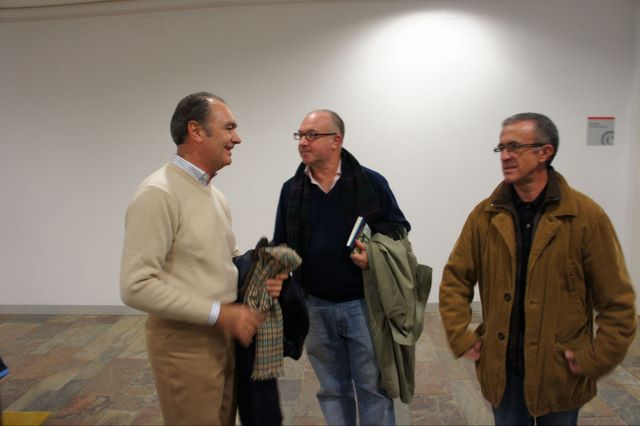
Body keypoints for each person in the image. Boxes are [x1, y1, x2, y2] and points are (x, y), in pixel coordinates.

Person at [439, 112, 636, 425]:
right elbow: (455, 279)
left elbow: (618, 301)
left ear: (545, 152)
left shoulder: (585, 217)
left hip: (559, 372)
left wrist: (598, 357)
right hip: (502, 372)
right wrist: (459, 334)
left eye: (515, 147)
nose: (505, 156)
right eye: (501, 148)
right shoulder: (484, 216)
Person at [120, 92, 286, 425]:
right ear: (196, 131)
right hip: (185, 344)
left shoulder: (215, 195)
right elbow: (135, 286)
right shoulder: (158, 193)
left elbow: (226, 258)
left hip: (223, 337)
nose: (237, 138)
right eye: (229, 128)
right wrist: (220, 313)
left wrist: (260, 276)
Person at [273, 109, 410, 425]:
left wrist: (372, 254)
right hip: (315, 307)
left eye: (312, 135)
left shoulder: (371, 183)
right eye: (300, 135)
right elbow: (282, 244)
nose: (303, 142)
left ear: (336, 140)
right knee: (332, 390)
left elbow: (398, 228)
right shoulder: (292, 190)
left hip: (364, 305)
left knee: (374, 388)